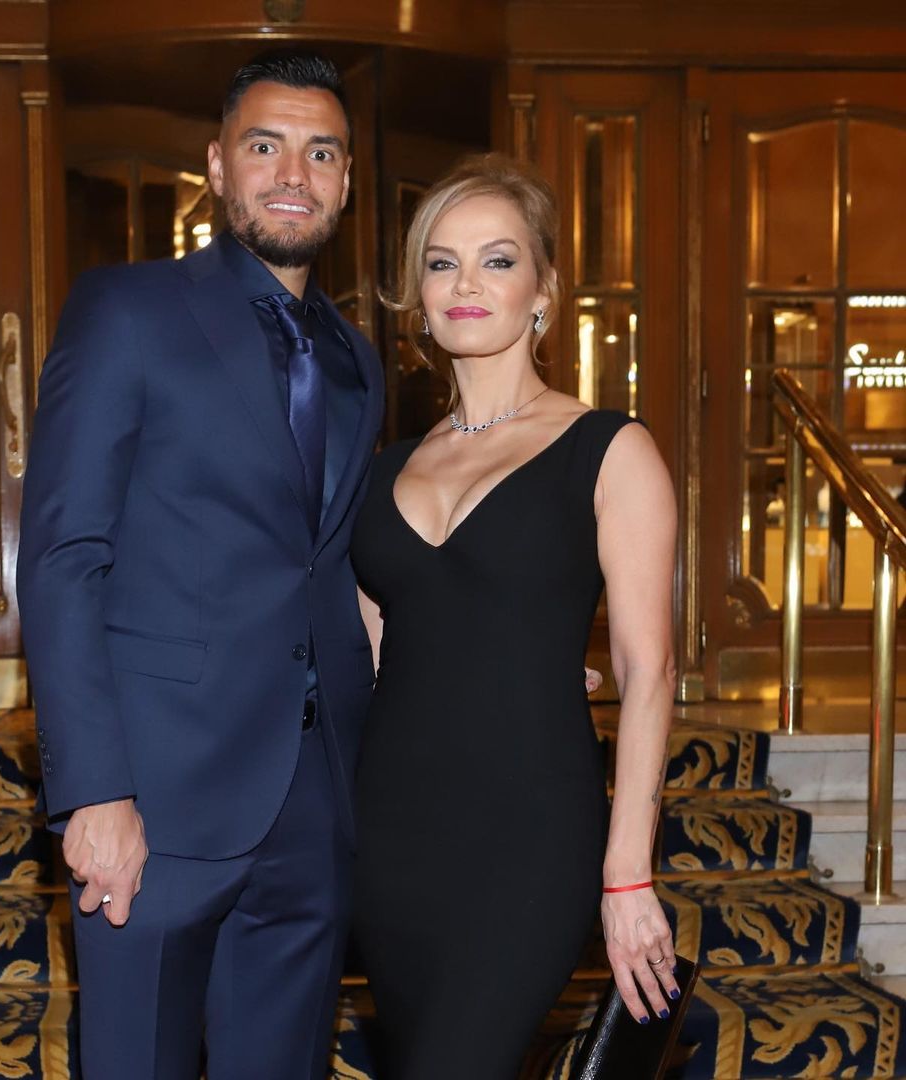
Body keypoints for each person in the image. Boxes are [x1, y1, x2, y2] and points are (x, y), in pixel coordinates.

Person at [16, 53, 385, 1080]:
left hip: (313, 808)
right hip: (154, 803)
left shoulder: (357, 361)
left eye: (322, 153)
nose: (294, 174)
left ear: (347, 182)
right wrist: (95, 792)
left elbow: (333, 569)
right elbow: (63, 556)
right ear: (218, 166)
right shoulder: (128, 310)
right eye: (266, 146)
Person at [350, 155, 679, 1079]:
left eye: (497, 260)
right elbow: (366, 661)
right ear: (418, 297)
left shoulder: (609, 449)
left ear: (543, 292)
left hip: (529, 833)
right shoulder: (382, 470)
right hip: (390, 836)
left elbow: (649, 672)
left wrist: (628, 873)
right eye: (441, 263)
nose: (466, 284)